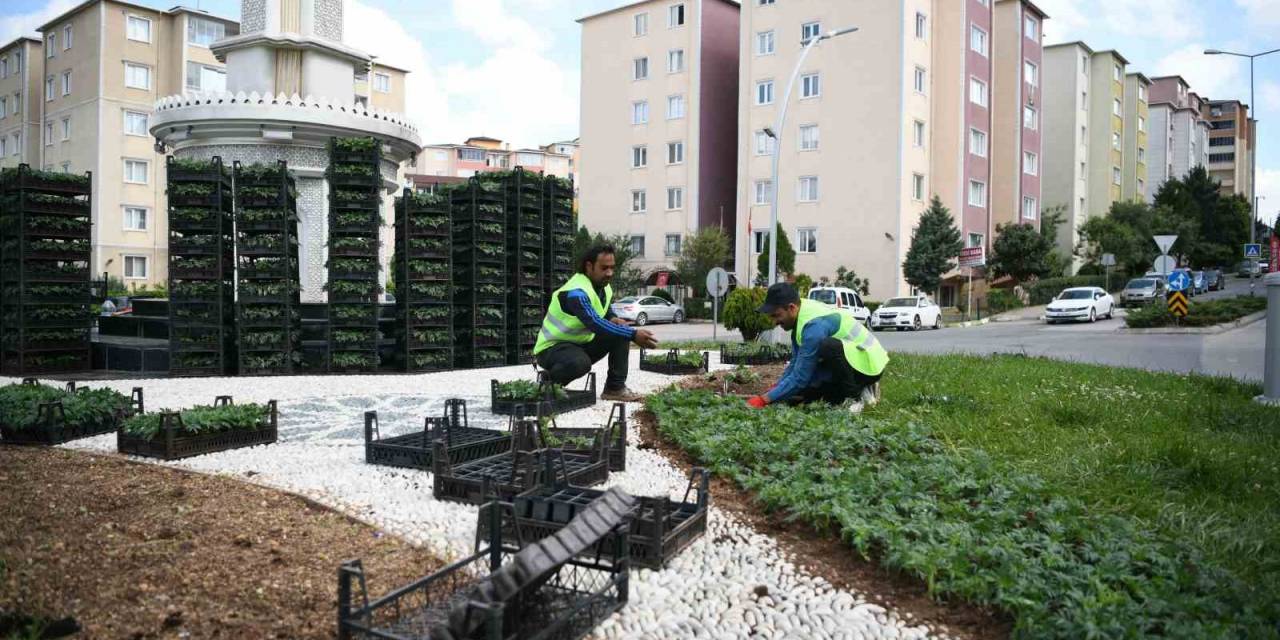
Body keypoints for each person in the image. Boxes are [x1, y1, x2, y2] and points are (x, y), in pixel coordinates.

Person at [533, 244, 660, 402]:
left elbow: (605, 311)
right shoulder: (576, 292)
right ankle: (549, 382)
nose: (609, 273)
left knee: (620, 329)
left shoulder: (603, 288)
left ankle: (615, 388)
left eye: (612, 268)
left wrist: (614, 319)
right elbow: (595, 323)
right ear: (589, 266)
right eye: (604, 268)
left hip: (579, 345)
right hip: (552, 349)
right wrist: (633, 334)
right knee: (580, 363)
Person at [747, 282, 888, 412]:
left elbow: (800, 377)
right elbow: (796, 364)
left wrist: (763, 400)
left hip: (868, 365)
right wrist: (777, 389)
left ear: (791, 308)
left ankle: (855, 398)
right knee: (803, 396)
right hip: (853, 362)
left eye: (776, 315)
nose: (774, 322)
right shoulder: (800, 315)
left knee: (828, 347)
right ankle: (859, 388)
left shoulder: (814, 327)